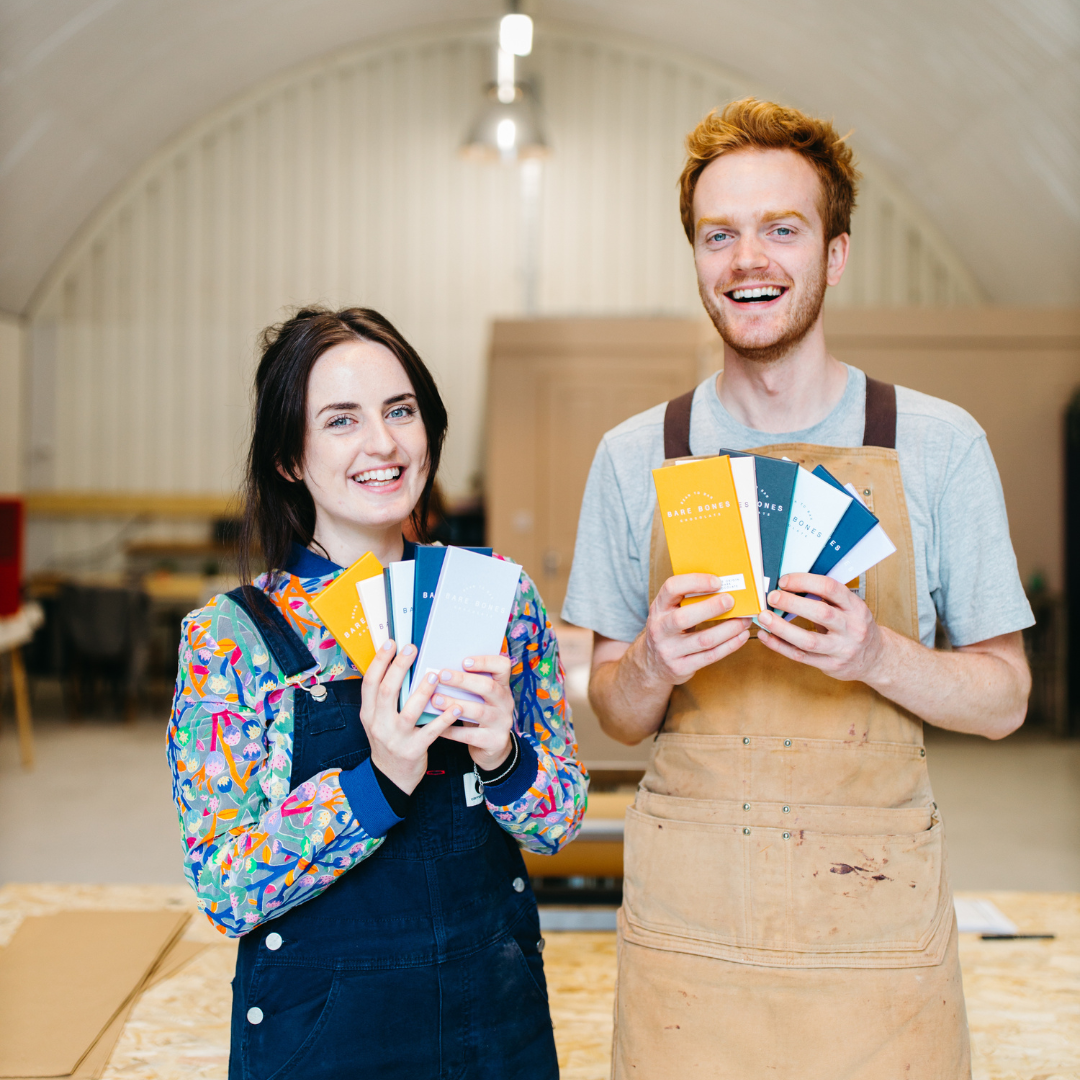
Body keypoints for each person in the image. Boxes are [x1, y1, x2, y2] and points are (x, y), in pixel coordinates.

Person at [562, 99, 1033, 1079]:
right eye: (718, 234)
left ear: (837, 253)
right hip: (690, 939)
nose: (750, 259)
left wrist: (876, 655)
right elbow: (607, 714)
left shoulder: (938, 446)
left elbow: (1005, 699)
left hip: (876, 937)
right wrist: (649, 662)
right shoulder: (632, 456)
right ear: (695, 256)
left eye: (784, 228)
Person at [167, 307, 586, 1079]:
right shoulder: (230, 640)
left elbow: (559, 821)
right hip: (323, 1038)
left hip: (492, 1024)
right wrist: (374, 786)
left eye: (401, 411)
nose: (384, 444)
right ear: (289, 459)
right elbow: (227, 885)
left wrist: (504, 757)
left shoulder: (497, 596)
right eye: (341, 421)